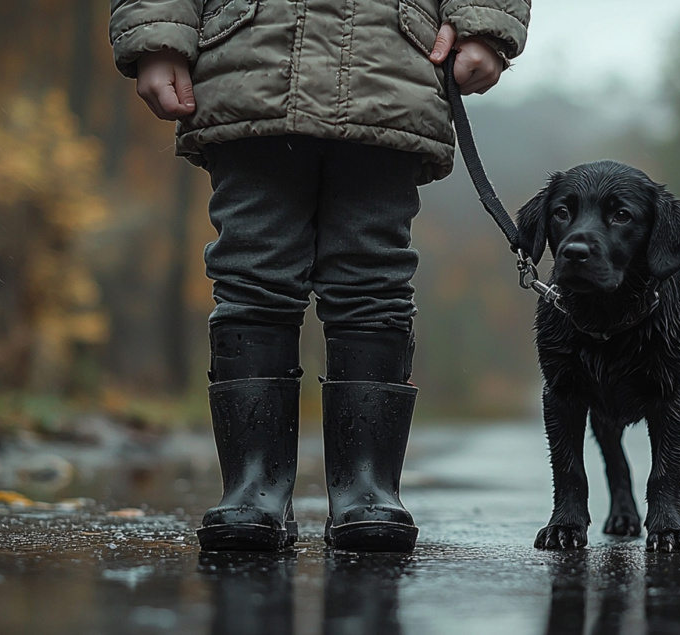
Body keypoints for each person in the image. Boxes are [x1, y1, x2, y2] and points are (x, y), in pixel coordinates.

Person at [108, 0, 530, 553]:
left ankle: (367, 487)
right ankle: (252, 487)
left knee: (372, 278)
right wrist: (159, 35)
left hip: (391, 67)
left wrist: (483, 23)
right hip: (253, 59)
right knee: (251, 273)